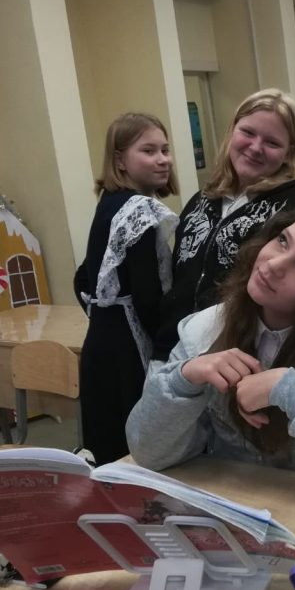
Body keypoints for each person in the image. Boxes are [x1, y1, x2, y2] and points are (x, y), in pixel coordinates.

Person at [127, 205, 295, 501]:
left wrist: (292, 390)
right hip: (225, 504)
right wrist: (184, 378)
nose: (274, 264)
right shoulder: (205, 329)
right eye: (282, 240)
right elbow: (146, 451)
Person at [152, 88, 295, 358]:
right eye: (248, 132)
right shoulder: (201, 199)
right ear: (232, 131)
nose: (256, 147)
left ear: (288, 152)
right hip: (173, 349)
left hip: (236, 352)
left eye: (272, 142)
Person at [74, 113, 179, 465]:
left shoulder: (109, 202)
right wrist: (170, 345)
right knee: (137, 452)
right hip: (129, 351)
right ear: (120, 160)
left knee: (107, 447)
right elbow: (148, 297)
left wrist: (104, 312)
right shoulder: (139, 209)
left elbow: (82, 278)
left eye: (165, 150)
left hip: (100, 343)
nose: (162, 159)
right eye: (148, 151)